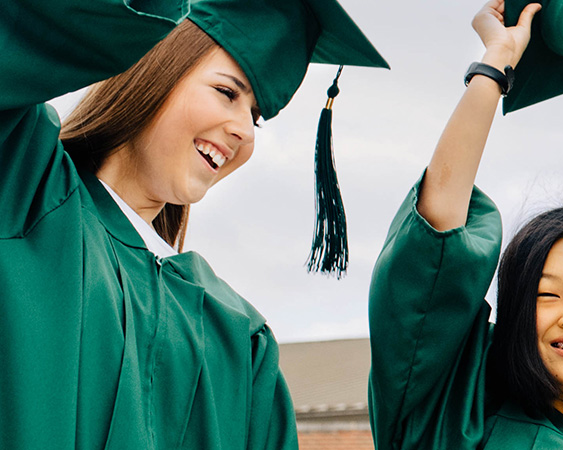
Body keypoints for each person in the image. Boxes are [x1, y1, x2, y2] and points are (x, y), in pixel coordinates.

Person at [0, 0, 386, 447]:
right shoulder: (23, 185)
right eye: (228, 93)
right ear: (154, 62)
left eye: (257, 117)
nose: (245, 129)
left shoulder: (239, 336)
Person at [366, 1, 563, 449]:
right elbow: (433, 249)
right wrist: (496, 60)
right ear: (515, 312)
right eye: (544, 295)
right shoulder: (453, 422)